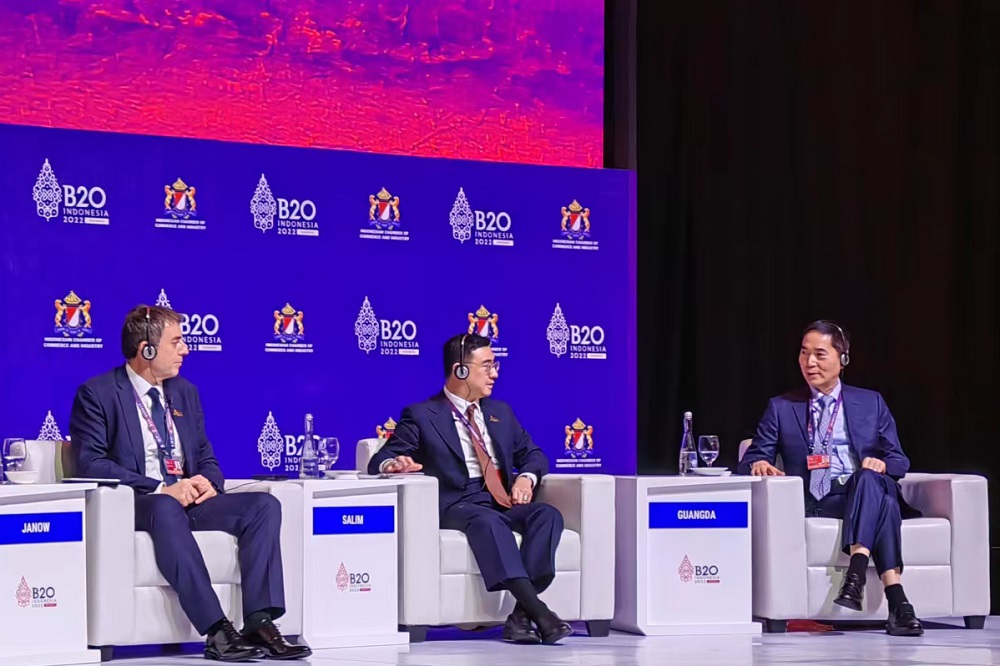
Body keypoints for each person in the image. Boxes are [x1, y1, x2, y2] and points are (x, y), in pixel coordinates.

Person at [70, 306, 312, 661]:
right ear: (146, 349)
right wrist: (159, 488)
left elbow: (206, 456)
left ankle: (260, 622)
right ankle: (217, 630)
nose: (185, 349)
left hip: (188, 502)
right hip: (140, 503)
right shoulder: (98, 393)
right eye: (176, 342)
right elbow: (91, 462)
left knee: (263, 505)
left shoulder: (185, 392)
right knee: (166, 505)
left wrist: (207, 482)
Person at [368, 333, 573, 645]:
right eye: (487, 366)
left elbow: (534, 455)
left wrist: (525, 478)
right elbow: (380, 459)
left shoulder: (501, 412)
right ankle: (541, 613)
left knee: (547, 516)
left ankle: (520, 616)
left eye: (495, 365)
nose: (495, 373)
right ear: (460, 370)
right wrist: (394, 464)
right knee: (487, 522)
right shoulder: (422, 415)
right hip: (457, 503)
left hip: (500, 499)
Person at [738, 321, 923, 636]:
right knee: (885, 503)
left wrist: (880, 464)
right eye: (804, 353)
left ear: (843, 358)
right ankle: (898, 603)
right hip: (820, 500)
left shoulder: (871, 402)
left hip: (859, 491)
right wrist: (759, 465)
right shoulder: (782, 407)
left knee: (870, 480)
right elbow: (752, 458)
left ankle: (857, 577)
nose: (809, 362)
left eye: (820, 354)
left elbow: (899, 460)